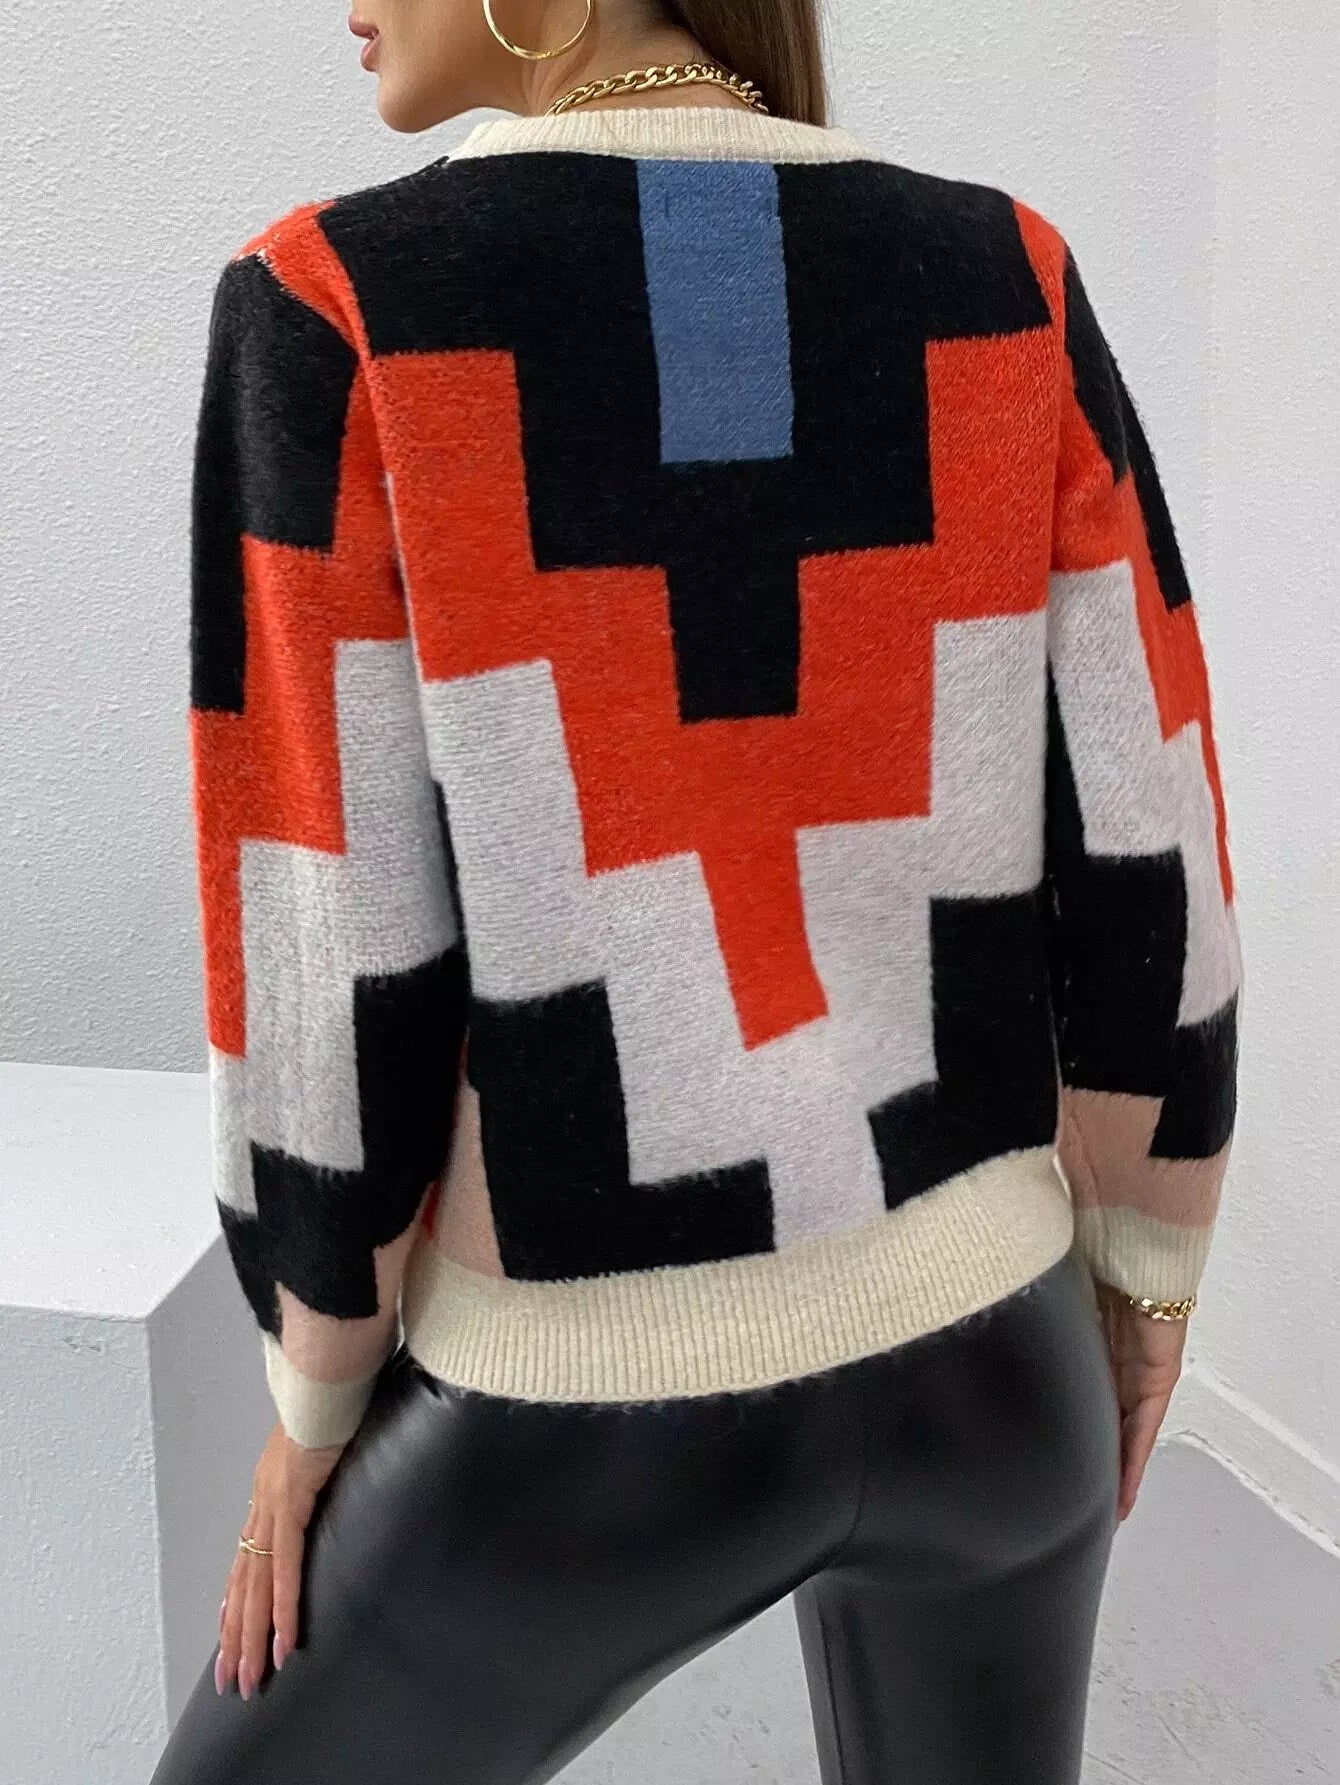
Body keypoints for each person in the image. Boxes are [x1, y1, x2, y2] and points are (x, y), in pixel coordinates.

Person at [153, 2, 1244, 1780]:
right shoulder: (1010, 279)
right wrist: (1150, 1262)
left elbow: (323, 928)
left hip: (576, 1426)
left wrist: (314, 1379)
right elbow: (1153, 828)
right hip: (1004, 1368)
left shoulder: (338, 307)